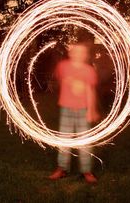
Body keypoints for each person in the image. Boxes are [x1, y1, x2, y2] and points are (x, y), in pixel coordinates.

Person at [48, 42, 100, 184]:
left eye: (82, 52)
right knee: (64, 141)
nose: (78, 54)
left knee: (85, 143)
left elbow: (90, 91)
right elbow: (62, 78)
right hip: (66, 108)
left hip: (83, 110)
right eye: (75, 51)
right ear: (70, 53)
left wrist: (91, 109)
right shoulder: (63, 66)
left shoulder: (89, 70)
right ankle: (62, 168)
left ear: (85, 55)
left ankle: (86, 170)